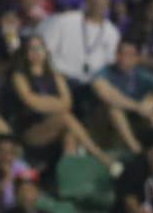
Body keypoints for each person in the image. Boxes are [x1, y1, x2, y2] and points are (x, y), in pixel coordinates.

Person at [9, 33, 114, 172]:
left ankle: (70, 178)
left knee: (69, 135)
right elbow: (32, 103)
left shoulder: (56, 75)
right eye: (31, 49)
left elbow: (67, 103)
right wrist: (54, 102)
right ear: (25, 52)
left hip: (57, 126)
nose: (36, 53)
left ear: (46, 51)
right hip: (31, 129)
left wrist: (45, 102)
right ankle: (99, 155)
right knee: (65, 118)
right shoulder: (19, 76)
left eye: (39, 48)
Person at [91, 38, 153, 155]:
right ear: (117, 56)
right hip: (105, 118)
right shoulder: (106, 72)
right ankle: (136, 150)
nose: (129, 58)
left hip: (138, 116)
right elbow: (103, 91)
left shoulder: (140, 73)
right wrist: (138, 107)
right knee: (114, 108)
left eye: (132, 55)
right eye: (125, 54)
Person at [39, 0, 120, 90]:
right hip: (60, 80)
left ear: (109, 0)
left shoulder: (112, 33)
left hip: (91, 87)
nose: (97, 0)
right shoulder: (64, 20)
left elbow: (110, 66)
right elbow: (43, 52)